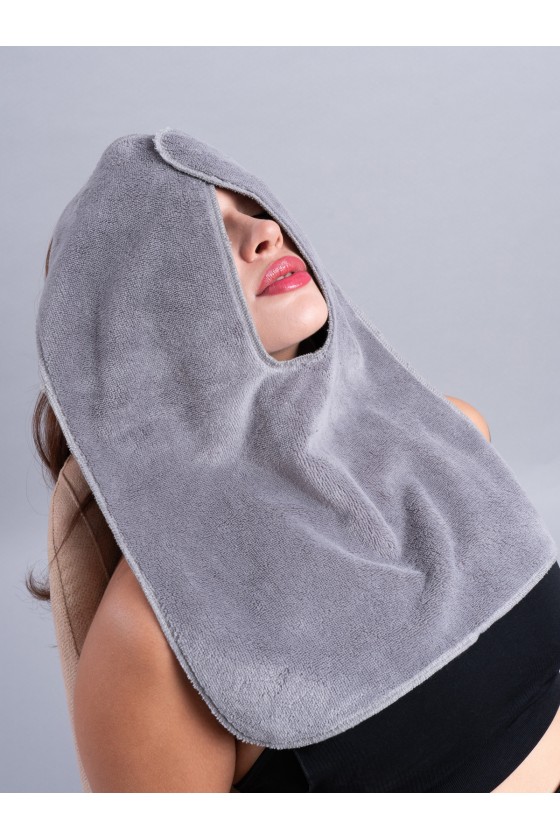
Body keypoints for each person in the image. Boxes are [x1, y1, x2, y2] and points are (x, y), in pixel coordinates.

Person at [29, 183, 560, 794]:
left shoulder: (453, 435)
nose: (266, 233)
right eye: (204, 235)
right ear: (134, 324)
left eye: (256, 210)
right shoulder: (151, 637)